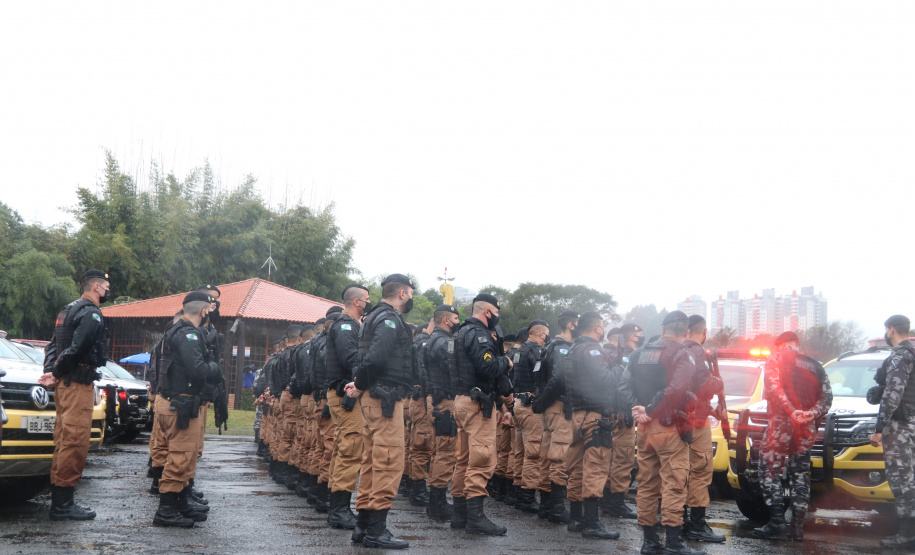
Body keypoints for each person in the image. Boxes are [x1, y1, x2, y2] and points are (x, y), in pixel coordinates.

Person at [620, 310, 703, 555]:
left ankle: (649, 541)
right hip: (669, 427)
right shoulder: (682, 353)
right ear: (686, 332)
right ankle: (674, 543)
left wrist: (640, 410)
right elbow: (678, 387)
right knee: (674, 483)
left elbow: (623, 385)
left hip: (644, 428)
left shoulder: (638, 353)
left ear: (663, 327)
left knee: (646, 484)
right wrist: (650, 409)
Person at [347, 274, 415, 549]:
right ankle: (376, 530)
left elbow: (364, 357)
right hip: (384, 397)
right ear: (401, 293)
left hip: (376, 395)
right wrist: (361, 383)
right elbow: (375, 357)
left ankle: (364, 526)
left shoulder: (373, 317)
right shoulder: (388, 319)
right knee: (388, 461)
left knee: (373, 461)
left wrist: (360, 383)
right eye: (410, 293)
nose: (411, 297)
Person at [40, 269, 110, 521]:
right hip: (77, 384)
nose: (107, 290)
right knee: (75, 442)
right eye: (106, 286)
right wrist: (57, 370)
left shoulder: (67, 310)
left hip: (65, 384)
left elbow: (53, 346)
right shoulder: (91, 312)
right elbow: (77, 346)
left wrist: (52, 371)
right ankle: (62, 503)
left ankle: (61, 500)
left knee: (64, 440)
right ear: (96, 288)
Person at [151, 291, 223, 527]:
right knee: (179, 459)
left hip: (173, 402)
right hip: (178, 404)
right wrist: (216, 367)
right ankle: (167, 510)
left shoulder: (174, 329)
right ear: (203, 311)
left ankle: (180, 504)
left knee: (183, 456)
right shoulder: (188, 333)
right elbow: (197, 370)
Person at [753, 331, 832, 542]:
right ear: (797, 343)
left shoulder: (776, 358)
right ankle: (797, 528)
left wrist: (791, 411)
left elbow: (774, 388)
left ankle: (777, 523)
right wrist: (809, 414)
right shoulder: (815, 365)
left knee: (770, 471)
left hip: (780, 425)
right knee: (800, 476)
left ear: (781, 345)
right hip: (806, 428)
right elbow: (827, 400)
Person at [450, 293, 512, 536]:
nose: (497, 318)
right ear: (488, 311)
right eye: (496, 313)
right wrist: (506, 361)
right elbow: (487, 367)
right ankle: (475, 518)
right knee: (482, 459)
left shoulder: (460, 332)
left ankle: (459, 514)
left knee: (464, 459)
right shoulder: (479, 334)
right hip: (477, 404)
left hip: (463, 400)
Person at [562, 311, 620, 540]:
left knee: (575, 468)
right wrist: (618, 369)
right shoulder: (592, 350)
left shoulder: (573, 349)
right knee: (595, 468)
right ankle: (592, 523)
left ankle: (576, 519)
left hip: (577, 415)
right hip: (595, 415)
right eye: (602, 326)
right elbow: (605, 381)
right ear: (597, 327)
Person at [325, 284, 370, 530]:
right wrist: (363, 379)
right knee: (350, 449)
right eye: (367, 299)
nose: (368, 303)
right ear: (356, 302)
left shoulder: (351, 325)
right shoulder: (345, 326)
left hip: (344, 393)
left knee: (344, 449)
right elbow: (351, 358)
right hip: (346, 393)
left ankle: (338, 507)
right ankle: (339, 510)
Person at [870, 315, 915, 548]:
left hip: (901, 428)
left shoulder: (901, 355)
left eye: (886, 330)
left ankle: (907, 536)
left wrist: (879, 429)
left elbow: (893, 396)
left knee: (901, 480)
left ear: (891, 330)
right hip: (912, 424)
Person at [680, 315, 725, 543]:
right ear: (703, 332)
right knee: (699, 470)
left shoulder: (675, 350)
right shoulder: (697, 352)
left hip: (675, 422)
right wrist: (719, 383)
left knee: (679, 472)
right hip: (696, 421)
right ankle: (697, 525)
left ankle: (679, 522)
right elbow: (705, 385)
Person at [531, 309, 578, 524]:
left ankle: (546, 506)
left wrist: (542, 403)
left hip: (551, 407)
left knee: (547, 457)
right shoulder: (562, 348)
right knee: (559, 458)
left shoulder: (549, 346)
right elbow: (558, 378)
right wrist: (542, 402)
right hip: (559, 406)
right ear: (571, 325)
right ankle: (556, 508)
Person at [423, 304, 461, 521]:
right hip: (445, 400)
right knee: (446, 453)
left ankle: (435, 502)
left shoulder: (432, 339)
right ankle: (437, 504)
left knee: (440, 452)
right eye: (455, 318)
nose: (458, 322)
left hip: (437, 400)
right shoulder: (444, 342)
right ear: (447, 320)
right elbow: (452, 369)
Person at [602, 322, 642, 519]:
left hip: (611, 413)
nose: (639, 339)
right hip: (622, 413)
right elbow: (623, 386)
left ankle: (608, 500)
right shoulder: (625, 356)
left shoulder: (609, 353)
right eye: (637, 336)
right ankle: (616, 502)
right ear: (631, 337)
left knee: (611, 459)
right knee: (623, 460)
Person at [511, 320, 550, 514]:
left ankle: (519, 492)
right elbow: (541, 376)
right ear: (542, 334)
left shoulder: (519, 350)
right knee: (533, 453)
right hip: (530, 405)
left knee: (520, 451)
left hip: (518, 403)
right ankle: (527, 496)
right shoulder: (535, 351)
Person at [406, 320, 434, 507]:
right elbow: (424, 373)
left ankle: (412, 485)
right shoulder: (424, 344)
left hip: (413, 397)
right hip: (421, 397)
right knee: (422, 444)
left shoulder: (414, 344)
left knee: (413, 441)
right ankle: (418, 490)